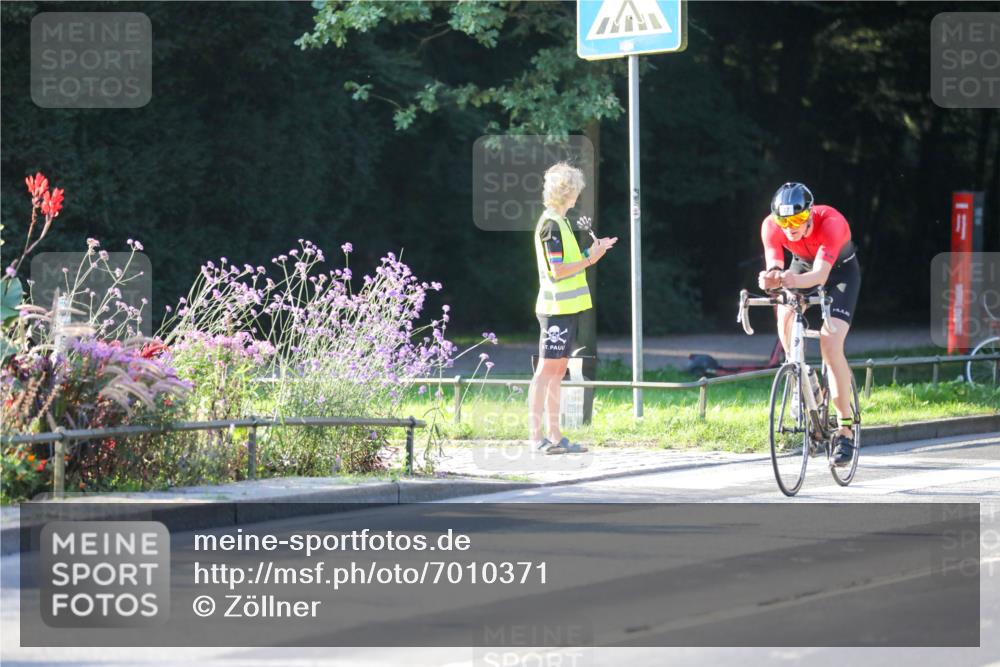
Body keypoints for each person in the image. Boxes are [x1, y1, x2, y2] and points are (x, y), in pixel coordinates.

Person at [758, 182, 861, 466]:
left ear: (810, 215)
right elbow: (776, 266)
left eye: (798, 220)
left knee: (830, 341)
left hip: (839, 273)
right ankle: (799, 376)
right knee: (785, 311)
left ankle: (844, 429)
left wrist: (789, 282)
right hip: (802, 265)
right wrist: (770, 279)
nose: (790, 227)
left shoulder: (831, 222)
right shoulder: (770, 226)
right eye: (784, 221)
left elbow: (819, 275)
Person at [528, 163, 617, 454]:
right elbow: (558, 270)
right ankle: (536, 437)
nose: (578, 195)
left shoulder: (561, 222)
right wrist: (590, 260)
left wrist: (593, 251)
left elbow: (568, 262)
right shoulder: (552, 224)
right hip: (555, 309)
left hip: (566, 309)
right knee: (546, 372)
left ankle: (555, 437)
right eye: (576, 190)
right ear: (568, 192)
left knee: (558, 372)